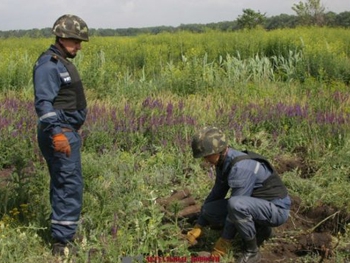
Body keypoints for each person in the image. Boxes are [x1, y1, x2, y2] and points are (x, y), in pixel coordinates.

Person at [187, 126, 291, 263]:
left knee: (236, 205)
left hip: (276, 209)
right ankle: (262, 230)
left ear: (219, 151)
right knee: (208, 210)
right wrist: (199, 224)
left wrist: (225, 240)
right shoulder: (223, 163)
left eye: (207, 156)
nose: (205, 160)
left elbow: (235, 208)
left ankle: (252, 251)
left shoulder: (241, 167)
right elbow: (216, 193)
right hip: (255, 204)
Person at [33, 14, 89, 256]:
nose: (78, 46)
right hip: (60, 134)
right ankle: (62, 244)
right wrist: (58, 134)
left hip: (67, 132)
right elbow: (43, 104)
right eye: (75, 41)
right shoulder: (48, 65)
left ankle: (64, 231)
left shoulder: (61, 61)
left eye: (79, 42)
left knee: (66, 183)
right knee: (68, 184)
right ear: (61, 37)